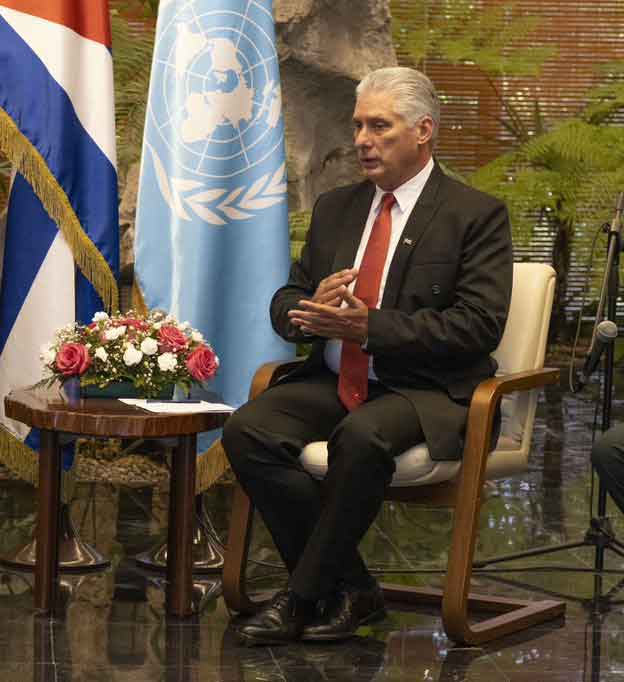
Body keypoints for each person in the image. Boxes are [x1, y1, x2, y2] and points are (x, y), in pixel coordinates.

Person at [222, 66, 513, 644]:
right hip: (336, 380)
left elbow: (479, 326)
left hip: (424, 390)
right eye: (358, 126)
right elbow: (285, 298)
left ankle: (302, 596)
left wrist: (370, 326)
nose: (362, 140)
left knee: (360, 436)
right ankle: (353, 586)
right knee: (248, 429)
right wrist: (309, 307)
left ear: (423, 130)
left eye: (380, 126)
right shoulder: (337, 208)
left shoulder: (474, 215)